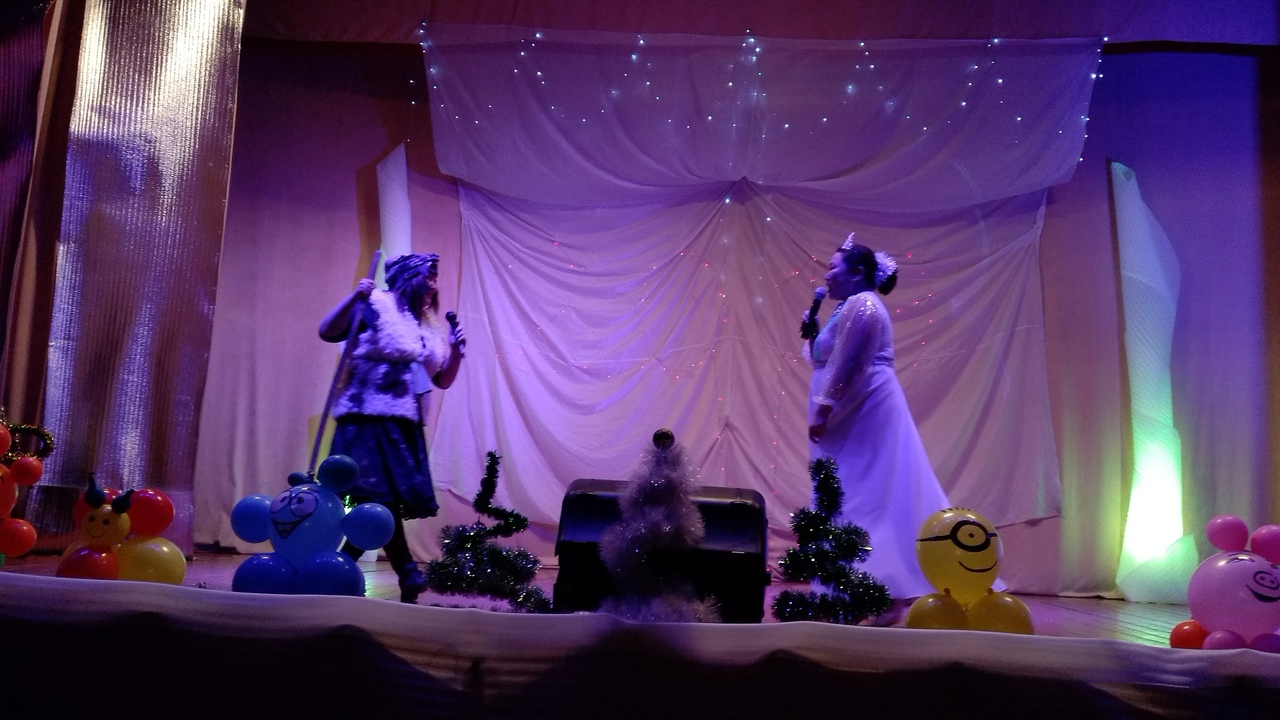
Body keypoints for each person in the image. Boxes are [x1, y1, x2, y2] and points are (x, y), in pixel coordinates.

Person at [804, 233, 951, 624]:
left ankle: (881, 591)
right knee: (851, 495)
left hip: (862, 408)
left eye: (833, 268)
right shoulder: (845, 307)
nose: (827, 275)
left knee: (867, 495)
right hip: (849, 410)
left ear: (857, 272)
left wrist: (825, 409)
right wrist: (814, 332)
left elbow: (850, 363)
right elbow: (823, 358)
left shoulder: (864, 304)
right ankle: (860, 591)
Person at [318, 253, 465, 603]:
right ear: (408, 279)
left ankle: (338, 568)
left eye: (435, 280)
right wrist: (355, 297)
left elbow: (441, 380)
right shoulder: (376, 305)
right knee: (379, 498)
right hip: (367, 419)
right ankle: (406, 571)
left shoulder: (426, 325)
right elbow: (327, 331)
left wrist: (456, 352)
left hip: (404, 426)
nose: (433, 286)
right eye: (428, 278)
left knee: (381, 502)